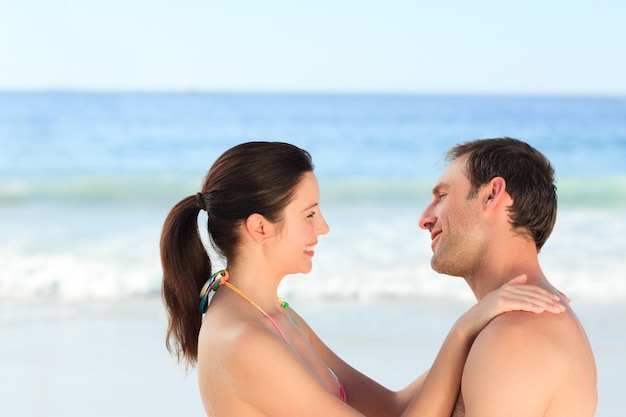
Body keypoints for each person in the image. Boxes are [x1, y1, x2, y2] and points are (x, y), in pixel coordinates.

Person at [160, 141, 566, 417]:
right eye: (308, 214)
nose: (323, 227)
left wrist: (482, 327)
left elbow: (390, 407)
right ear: (261, 228)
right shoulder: (243, 340)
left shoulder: (276, 315)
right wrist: (465, 330)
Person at [418, 137, 597, 417]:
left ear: (492, 194)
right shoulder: (499, 328)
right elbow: (391, 408)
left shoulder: (514, 337)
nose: (424, 218)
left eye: (442, 197)